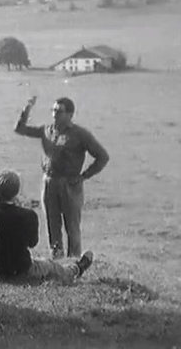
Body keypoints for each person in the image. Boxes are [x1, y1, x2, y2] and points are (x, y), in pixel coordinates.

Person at [14, 96, 109, 259]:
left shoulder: (80, 134)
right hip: (49, 181)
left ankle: (74, 263)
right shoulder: (47, 130)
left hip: (70, 184)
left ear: (70, 114)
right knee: (52, 224)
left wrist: (84, 176)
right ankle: (57, 261)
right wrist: (26, 110)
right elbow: (20, 129)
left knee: (71, 225)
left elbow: (102, 156)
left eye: (59, 111)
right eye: (53, 110)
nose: (55, 114)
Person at [0, 169, 94, 282]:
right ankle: (76, 269)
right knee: (50, 266)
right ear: (16, 191)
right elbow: (32, 243)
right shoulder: (28, 215)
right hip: (21, 269)